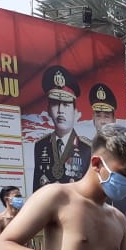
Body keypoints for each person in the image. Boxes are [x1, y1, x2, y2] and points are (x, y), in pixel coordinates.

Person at [32, 65, 92, 193]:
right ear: (48, 110)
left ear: (75, 111)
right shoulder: (40, 145)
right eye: (55, 104)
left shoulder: (87, 148)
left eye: (66, 104)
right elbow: (36, 190)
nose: (60, 111)